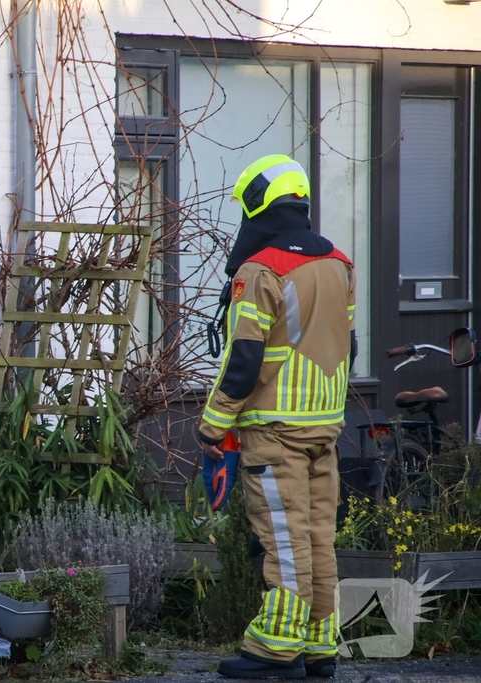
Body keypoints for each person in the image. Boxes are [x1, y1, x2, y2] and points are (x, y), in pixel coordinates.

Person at [198, 154, 356, 679]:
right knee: (317, 535)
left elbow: (244, 358)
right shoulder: (340, 263)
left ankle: (276, 649)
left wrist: (213, 423)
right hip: (324, 425)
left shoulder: (261, 270)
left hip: (274, 431)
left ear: (257, 205)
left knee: (284, 540)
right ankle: (319, 644)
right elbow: (347, 345)